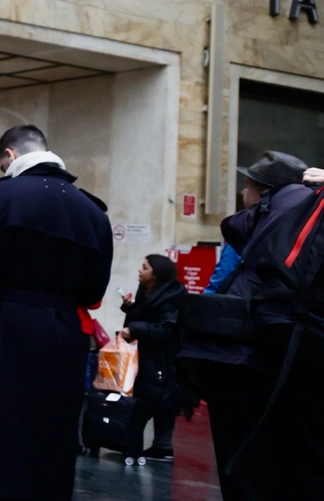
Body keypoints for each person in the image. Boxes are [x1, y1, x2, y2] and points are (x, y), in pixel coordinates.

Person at [0, 125, 113, 501]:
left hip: (4, 321)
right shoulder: (93, 212)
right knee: (51, 428)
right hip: (65, 330)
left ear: (9, 156)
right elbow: (94, 289)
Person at [177, 151, 309, 500]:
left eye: (247, 187)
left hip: (242, 357)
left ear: (260, 191)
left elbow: (223, 278)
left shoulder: (261, 221)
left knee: (245, 463)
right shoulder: (304, 220)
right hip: (291, 355)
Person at [118, 254, 188, 462]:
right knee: (159, 399)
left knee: (154, 400)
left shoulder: (170, 299)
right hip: (148, 357)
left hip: (162, 359)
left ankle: (142, 447)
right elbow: (145, 317)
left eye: (145, 267)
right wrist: (129, 308)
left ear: (156, 276)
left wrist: (135, 329)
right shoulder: (147, 292)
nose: (140, 270)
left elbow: (166, 331)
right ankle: (161, 446)